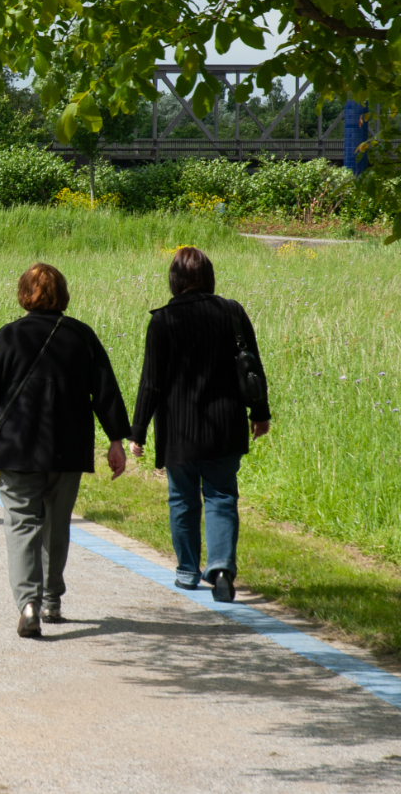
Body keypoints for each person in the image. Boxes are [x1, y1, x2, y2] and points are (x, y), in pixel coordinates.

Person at [0, 263, 129, 638]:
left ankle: (28, 603)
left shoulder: (10, 336)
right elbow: (106, 390)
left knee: (22, 522)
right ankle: (52, 599)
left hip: (18, 446)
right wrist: (116, 439)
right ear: (63, 294)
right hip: (68, 448)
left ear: (24, 294)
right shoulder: (81, 336)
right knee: (57, 524)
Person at [130, 247, 271, 603]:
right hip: (225, 426)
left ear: (174, 280)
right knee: (222, 496)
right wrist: (260, 413)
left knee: (182, 499)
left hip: (179, 430)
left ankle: (187, 571)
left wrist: (138, 432)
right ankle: (222, 569)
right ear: (208, 276)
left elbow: (151, 382)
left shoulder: (163, 320)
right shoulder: (232, 312)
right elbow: (252, 365)